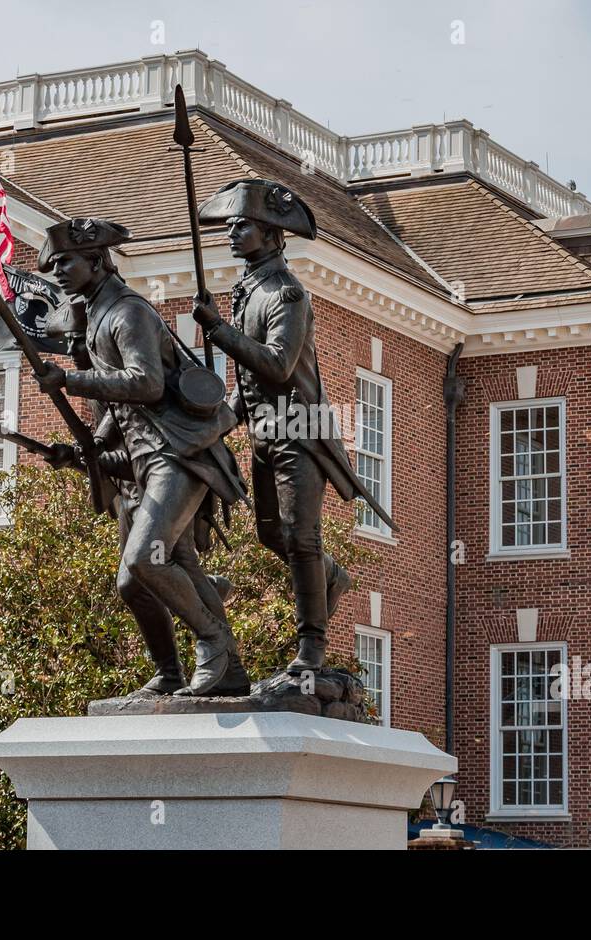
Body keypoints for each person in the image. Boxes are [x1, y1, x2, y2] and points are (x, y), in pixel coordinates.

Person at [34, 218, 248, 696]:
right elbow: (117, 413)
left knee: (146, 561)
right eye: (55, 266)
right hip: (144, 462)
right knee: (133, 582)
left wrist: (70, 380)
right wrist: (85, 449)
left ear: (95, 260)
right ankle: (182, 666)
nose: (59, 273)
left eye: (66, 262)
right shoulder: (97, 319)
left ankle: (213, 640)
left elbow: (146, 384)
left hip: (179, 453)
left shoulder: (127, 312)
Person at [190, 180, 394, 674]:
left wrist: (219, 331)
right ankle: (332, 579)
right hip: (265, 433)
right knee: (271, 535)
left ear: (270, 234)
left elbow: (279, 366)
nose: (232, 234)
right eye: (232, 226)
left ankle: (312, 648)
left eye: (243, 226)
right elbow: (250, 385)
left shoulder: (287, 293)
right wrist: (215, 424)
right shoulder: (249, 292)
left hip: (300, 433)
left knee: (301, 539)